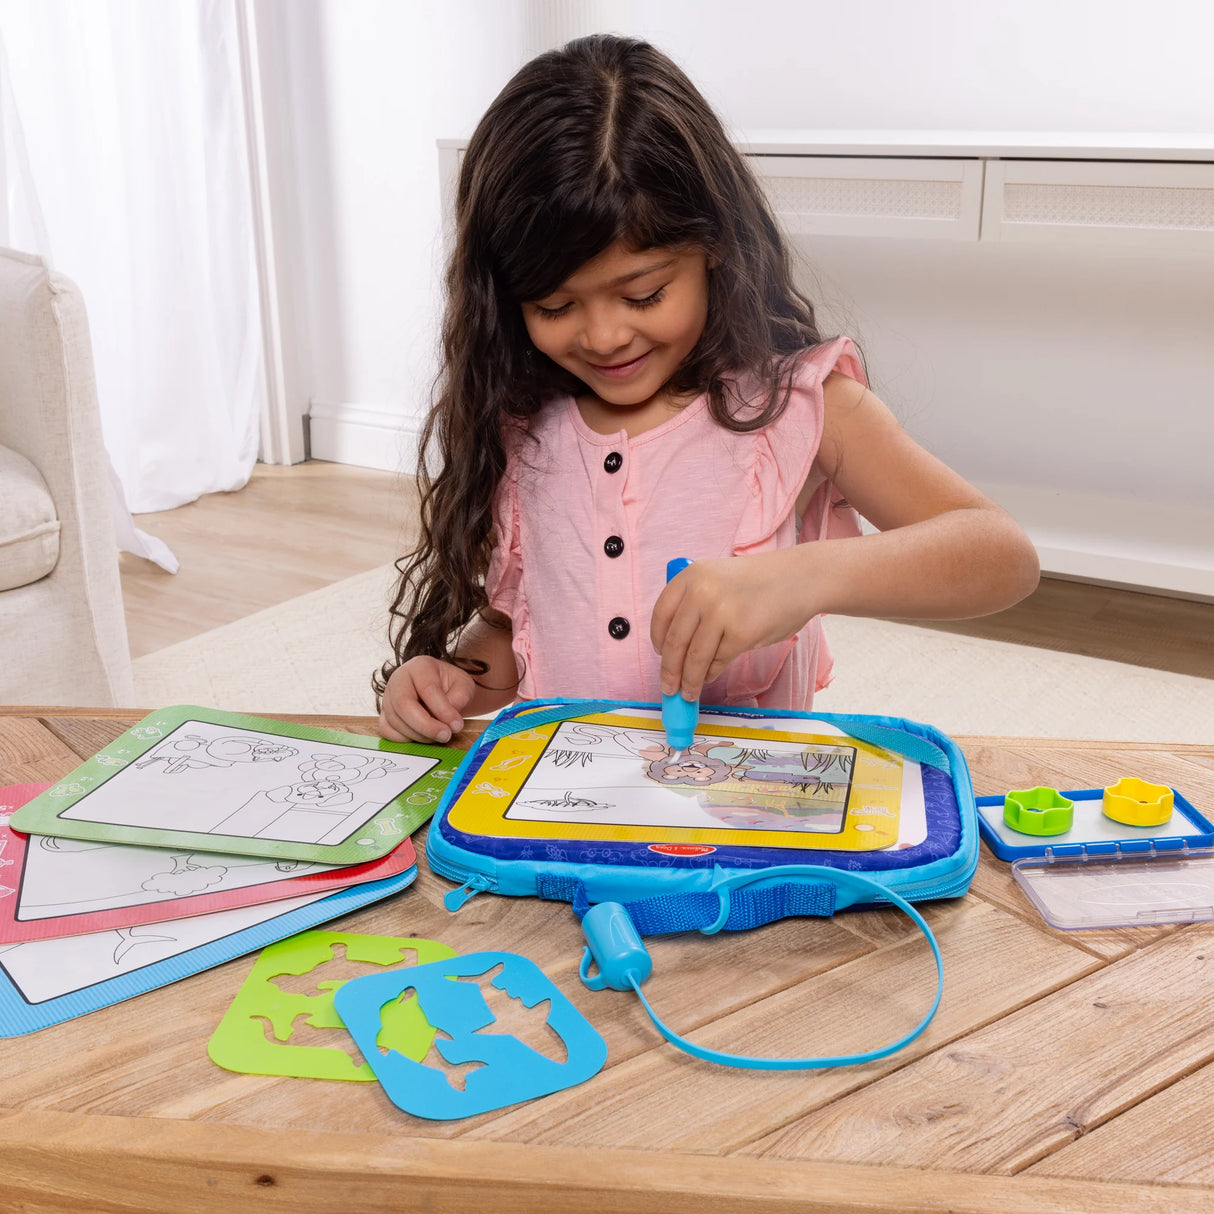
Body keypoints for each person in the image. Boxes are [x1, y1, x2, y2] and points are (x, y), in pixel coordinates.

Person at [375, 34, 1039, 744]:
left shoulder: (800, 407)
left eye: (644, 293)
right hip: (574, 819)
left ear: (713, 242)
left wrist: (804, 578)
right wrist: (453, 681)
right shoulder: (526, 424)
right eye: (556, 307)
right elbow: (526, 624)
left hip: (742, 826)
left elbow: (1001, 556)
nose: (602, 337)